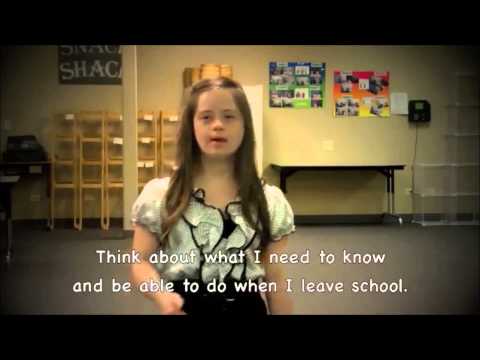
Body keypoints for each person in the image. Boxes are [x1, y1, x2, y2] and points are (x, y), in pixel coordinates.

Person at [130, 77, 296, 315]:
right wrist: (162, 296)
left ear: (244, 126)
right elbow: (139, 261)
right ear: (192, 126)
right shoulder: (161, 195)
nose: (218, 125)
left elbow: (276, 280)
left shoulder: (268, 201)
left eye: (229, 116)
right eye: (206, 117)